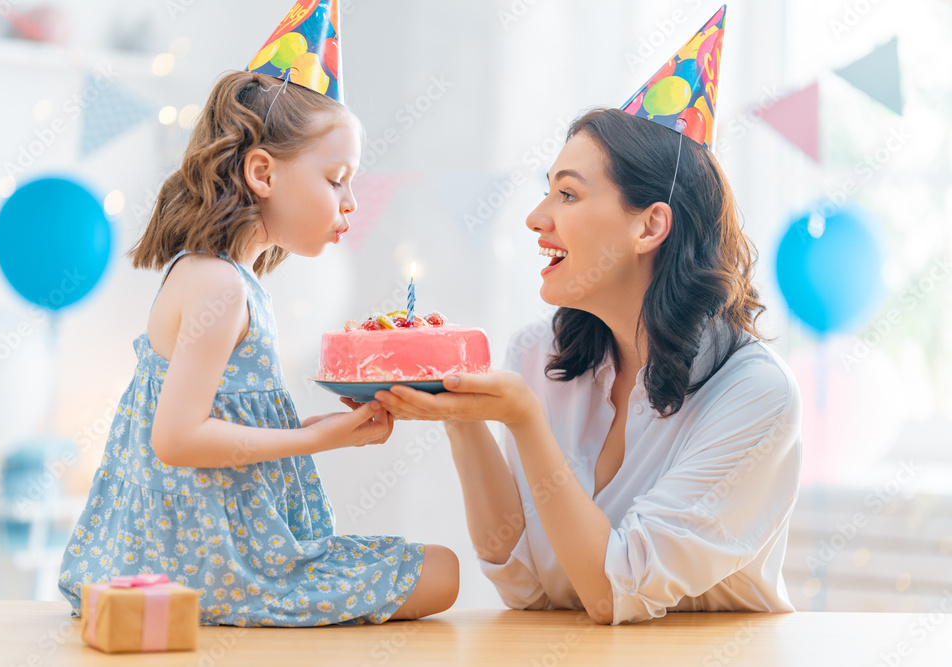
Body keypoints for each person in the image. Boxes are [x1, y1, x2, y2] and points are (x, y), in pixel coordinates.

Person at [374, 7, 802, 626]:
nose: (536, 217)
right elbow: (523, 581)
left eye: (568, 194)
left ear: (650, 224)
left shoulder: (754, 394)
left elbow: (611, 593)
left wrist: (523, 419)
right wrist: (458, 414)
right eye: (547, 190)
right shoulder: (537, 356)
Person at [57, 4, 458, 626]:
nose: (350, 203)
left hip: (216, 554)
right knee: (444, 574)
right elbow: (177, 438)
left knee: (441, 571)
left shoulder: (224, 279)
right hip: (210, 571)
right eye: (336, 179)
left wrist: (323, 425)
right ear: (262, 172)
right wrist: (316, 438)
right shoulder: (218, 286)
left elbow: (219, 418)